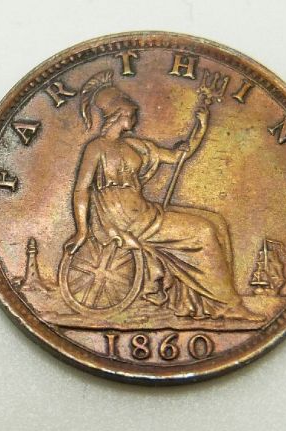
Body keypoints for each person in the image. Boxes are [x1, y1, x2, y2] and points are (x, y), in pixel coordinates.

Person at [63, 70, 260, 320]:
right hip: (124, 219)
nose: (136, 118)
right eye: (133, 113)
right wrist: (81, 230)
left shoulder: (135, 145)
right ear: (120, 114)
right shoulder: (96, 148)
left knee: (217, 222)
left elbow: (178, 156)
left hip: (146, 213)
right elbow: (81, 189)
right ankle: (228, 304)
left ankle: (204, 300)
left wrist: (200, 127)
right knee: (204, 231)